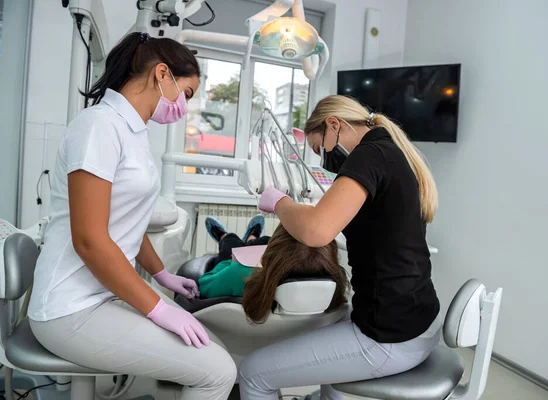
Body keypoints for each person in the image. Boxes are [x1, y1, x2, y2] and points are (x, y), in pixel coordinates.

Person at [27, 32, 236, 400]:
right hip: (69, 307)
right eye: (185, 94)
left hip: (101, 295)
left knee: (216, 346)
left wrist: (162, 275)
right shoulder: (99, 127)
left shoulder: (134, 131)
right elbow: (91, 240)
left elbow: (126, 219)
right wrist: (157, 307)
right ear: (161, 74)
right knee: (217, 372)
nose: (183, 107)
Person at [238, 95, 443, 400]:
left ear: (333, 125)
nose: (324, 159)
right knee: (329, 346)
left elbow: (317, 230)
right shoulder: (391, 151)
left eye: (321, 149)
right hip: (417, 322)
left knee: (253, 373)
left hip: (388, 337)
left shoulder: (369, 154)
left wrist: (279, 202)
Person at [184, 215, 347, 324]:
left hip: (234, 268)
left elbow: (203, 286)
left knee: (231, 246)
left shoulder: (239, 273)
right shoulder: (334, 290)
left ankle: (225, 237)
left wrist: (229, 263)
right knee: (263, 241)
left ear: (275, 250)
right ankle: (253, 238)